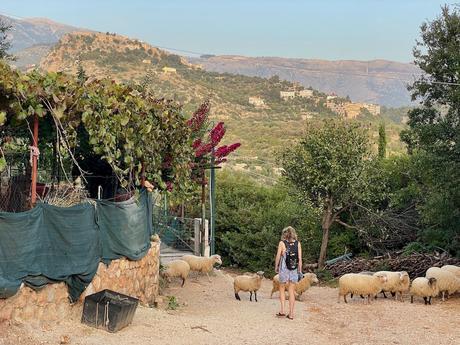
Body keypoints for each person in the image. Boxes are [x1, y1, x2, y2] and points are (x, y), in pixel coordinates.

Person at [274, 226, 302, 320]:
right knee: (291, 291)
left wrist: (276, 267)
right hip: (293, 270)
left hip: (284, 269)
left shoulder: (282, 243)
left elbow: (278, 256)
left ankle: (282, 311)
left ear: (284, 234)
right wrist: (299, 271)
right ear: (293, 233)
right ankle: (291, 314)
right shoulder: (298, 243)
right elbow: (300, 259)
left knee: (282, 289)